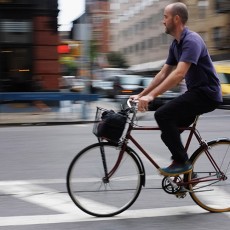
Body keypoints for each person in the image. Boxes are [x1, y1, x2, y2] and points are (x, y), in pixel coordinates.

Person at [130, 2, 222, 176]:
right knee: (168, 132)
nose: (163, 21)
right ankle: (188, 175)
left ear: (176, 18)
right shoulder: (176, 44)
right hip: (196, 93)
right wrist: (141, 94)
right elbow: (163, 74)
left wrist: (151, 97)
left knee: (162, 115)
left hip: (207, 94)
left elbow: (179, 74)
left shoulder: (192, 40)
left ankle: (182, 163)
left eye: (165, 17)